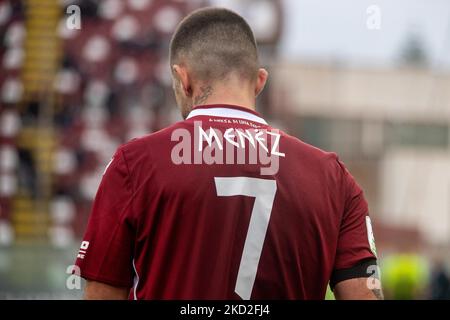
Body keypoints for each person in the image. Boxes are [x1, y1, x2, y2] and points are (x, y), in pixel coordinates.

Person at [75, 7, 383, 300]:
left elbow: (102, 291)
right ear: (259, 81)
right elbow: (362, 293)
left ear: (184, 79)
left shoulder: (135, 163)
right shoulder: (331, 176)